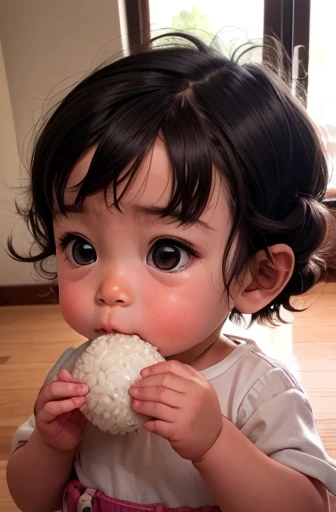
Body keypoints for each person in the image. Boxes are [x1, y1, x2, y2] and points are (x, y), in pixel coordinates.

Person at [6, 32, 336, 512]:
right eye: (81, 247)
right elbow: (29, 499)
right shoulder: (75, 376)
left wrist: (216, 444)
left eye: (166, 254)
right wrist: (51, 448)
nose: (112, 290)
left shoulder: (256, 391)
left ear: (256, 275)